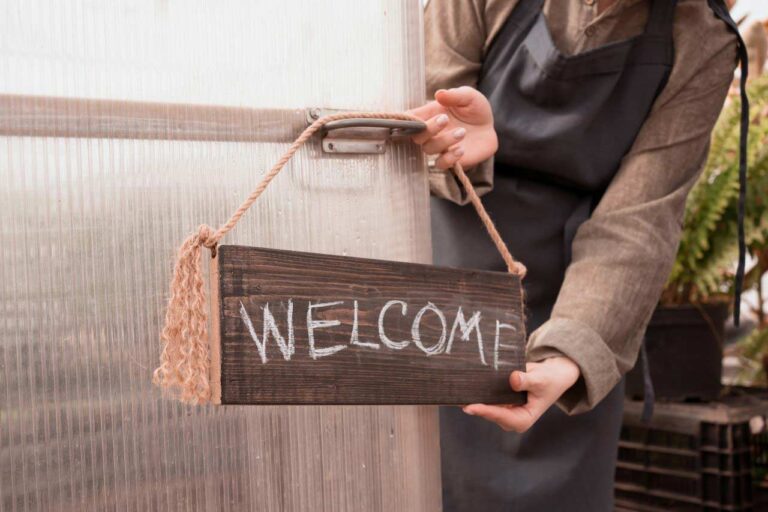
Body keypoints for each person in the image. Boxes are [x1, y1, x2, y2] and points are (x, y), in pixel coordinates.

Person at [409, 0, 749, 510]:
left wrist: (571, 353)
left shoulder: (703, 37)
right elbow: (414, 114)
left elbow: (641, 214)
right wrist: (450, 142)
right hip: (443, 293)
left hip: (584, 298)